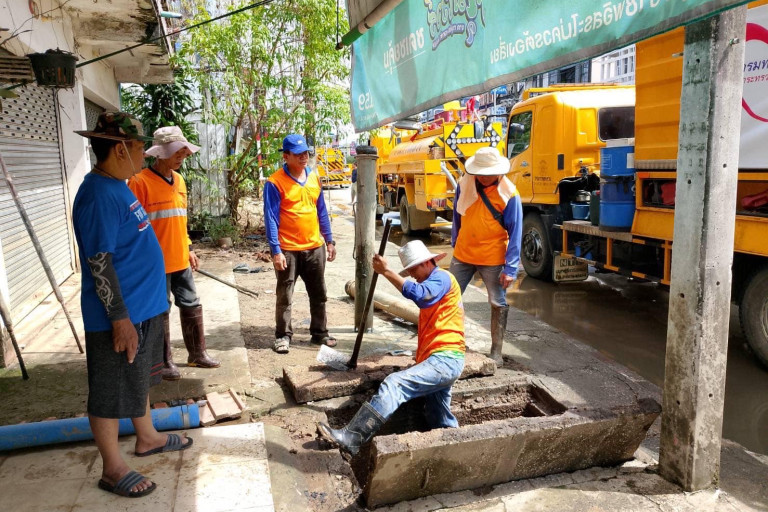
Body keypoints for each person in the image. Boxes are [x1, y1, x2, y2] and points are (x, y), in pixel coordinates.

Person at [73, 112, 192, 498]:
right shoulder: (98, 195)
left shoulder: (117, 186)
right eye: (141, 146)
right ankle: (112, 468)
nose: (145, 153)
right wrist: (119, 319)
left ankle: (147, 437)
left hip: (144, 308)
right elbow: (99, 262)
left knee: (137, 378)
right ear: (121, 149)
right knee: (109, 391)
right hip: (120, 316)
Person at [316, 240, 465, 456]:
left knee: (395, 384)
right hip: (441, 359)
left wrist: (386, 271)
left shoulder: (442, 277)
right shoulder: (437, 284)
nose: (412, 275)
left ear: (426, 263)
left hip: (445, 359)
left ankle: (352, 437)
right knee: (438, 414)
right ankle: (458, 450)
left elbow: (421, 296)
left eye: (413, 269)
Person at [128, 126, 219, 380]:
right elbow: (133, 227)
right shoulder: (139, 182)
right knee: (160, 310)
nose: (182, 155)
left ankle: (197, 353)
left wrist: (189, 248)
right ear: (159, 153)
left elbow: (181, 220)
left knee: (191, 302)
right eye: (176, 151)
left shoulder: (179, 181)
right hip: (155, 263)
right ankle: (163, 362)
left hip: (180, 258)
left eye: (183, 151)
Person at [264, 134, 338, 353]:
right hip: (288, 250)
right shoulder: (275, 182)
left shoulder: (314, 178)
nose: (303, 157)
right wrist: (276, 250)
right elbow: (271, 218)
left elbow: (321, 211)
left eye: (306, 153)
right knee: (285, 295)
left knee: (319, 293)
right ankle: (283, 336)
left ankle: (319, 333)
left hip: (315, 248)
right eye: (298, 154)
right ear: (286, 157)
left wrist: (329, 240)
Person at [450, 147, 523, 365]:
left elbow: (516, 232)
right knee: (448, 298)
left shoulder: (509, 194)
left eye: (487, 173)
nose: (482, 177)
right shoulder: (464, 185)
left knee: (498, 302)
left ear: (498, 171)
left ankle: (496, 352)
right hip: (463, 253)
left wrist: (511, 268)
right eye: (479, 173)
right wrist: (455, 242)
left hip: (493, 257)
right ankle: (452, 344)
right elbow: (457, 216)